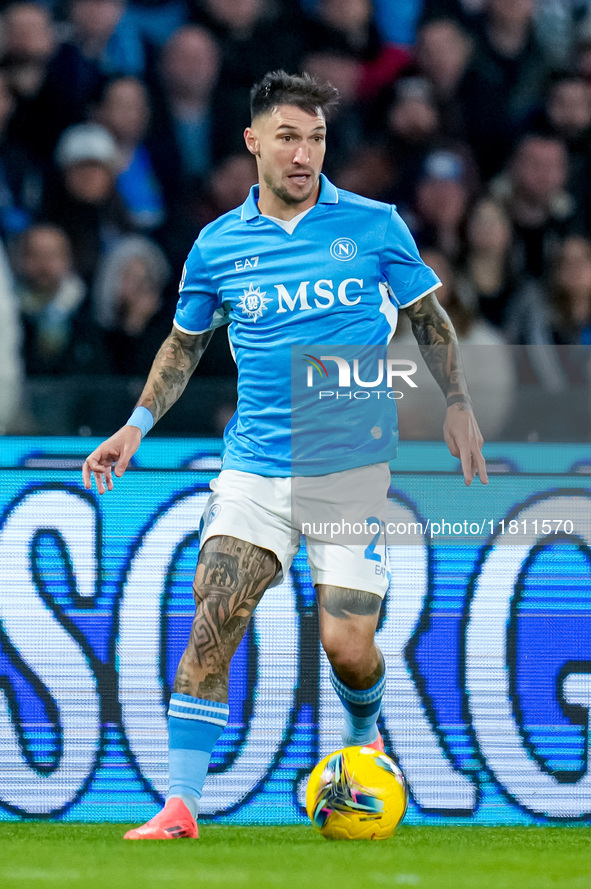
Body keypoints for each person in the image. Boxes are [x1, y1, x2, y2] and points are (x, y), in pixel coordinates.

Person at [82, 70, 487, 840]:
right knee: (215, 612)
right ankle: (181, 804)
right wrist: (135, 423)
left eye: (317, 138)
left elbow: (428, 319)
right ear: (253, 142)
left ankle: (364, 733)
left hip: (348, 467)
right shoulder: (217, 244)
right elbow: (184, 344)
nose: (304, 154)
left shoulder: (373, 224)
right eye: (289, 137)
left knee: (346, 644)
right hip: (255, 466)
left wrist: (460, 404)